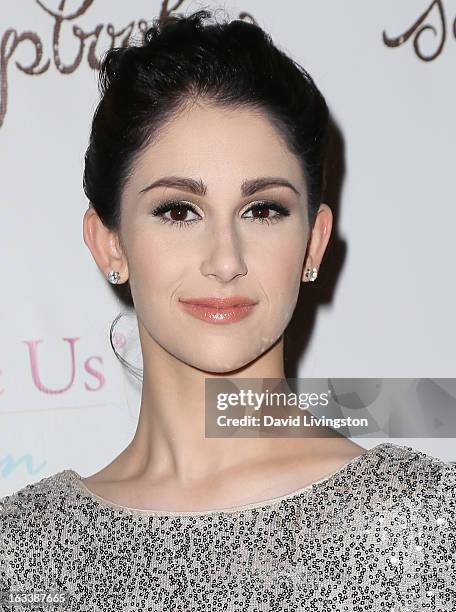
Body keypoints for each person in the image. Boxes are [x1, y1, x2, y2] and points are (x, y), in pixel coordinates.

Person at [1, 8, 454, 611]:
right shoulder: (24, 559)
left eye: (263, 209)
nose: (225, 260)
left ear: (313, 242)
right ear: (110, 242)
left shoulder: (424, 526)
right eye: (178, 210)